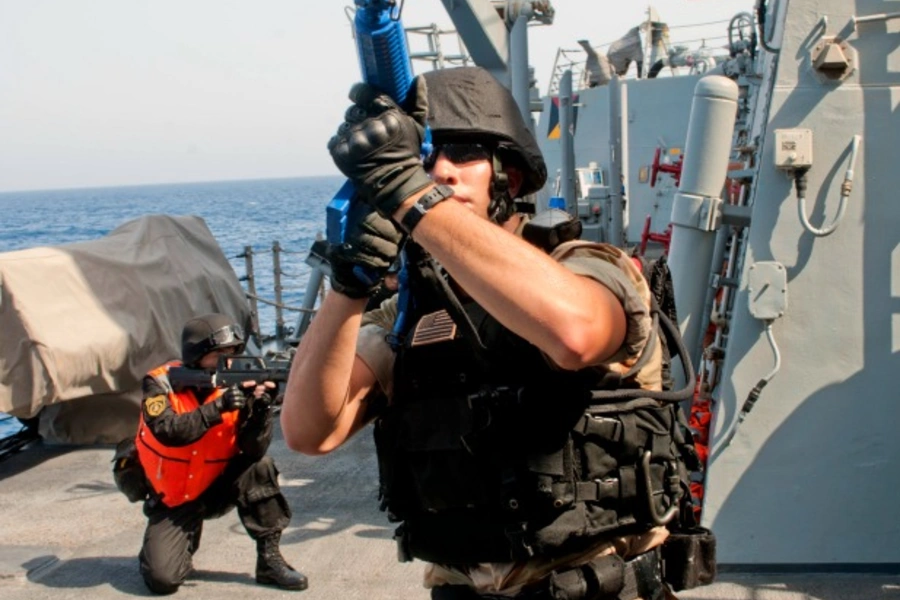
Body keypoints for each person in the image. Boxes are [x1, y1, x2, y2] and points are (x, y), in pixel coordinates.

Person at [281, 67, 709, 599]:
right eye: (424, 158)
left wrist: (409, 192)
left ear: (512, 175)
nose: (440, 171)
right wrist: (349, 282)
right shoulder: (406, 315)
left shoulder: (588, 267)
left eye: (463, 154)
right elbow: (308, 430)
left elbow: (576, 334)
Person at [135, 313, 308, 594]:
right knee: (163, 580)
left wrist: (261, 410)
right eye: (220, 355)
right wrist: (219, 407)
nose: (229, 361)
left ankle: (269, 561)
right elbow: (168, 431)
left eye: (232, 354)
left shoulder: (237, 385)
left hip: (219, 484)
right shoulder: (161, 383)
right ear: (197, 354)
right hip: (175, 495)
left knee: (259, 466)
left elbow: (253, 448)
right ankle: (171, 545)